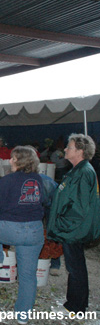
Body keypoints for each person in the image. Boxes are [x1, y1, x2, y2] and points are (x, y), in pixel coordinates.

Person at [0, 146, 45, 325]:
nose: (10, 160)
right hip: (34, 231)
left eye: (12, 158)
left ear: (18, 161)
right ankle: (23, 315)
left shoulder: (8, 179)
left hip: (10, 230)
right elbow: (44, 200)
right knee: (27, 275)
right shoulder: (38, 179)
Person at [47, 133, 100, 315]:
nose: (65, 149)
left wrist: (63, 221)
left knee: (75, 268)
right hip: (71, 227)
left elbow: (80, 207)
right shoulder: (78, 170)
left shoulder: (83, 172)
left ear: (80, 151)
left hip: (73, 228)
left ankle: (76, 307)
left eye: (69, 147)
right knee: (75, 266)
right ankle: (75, 305)